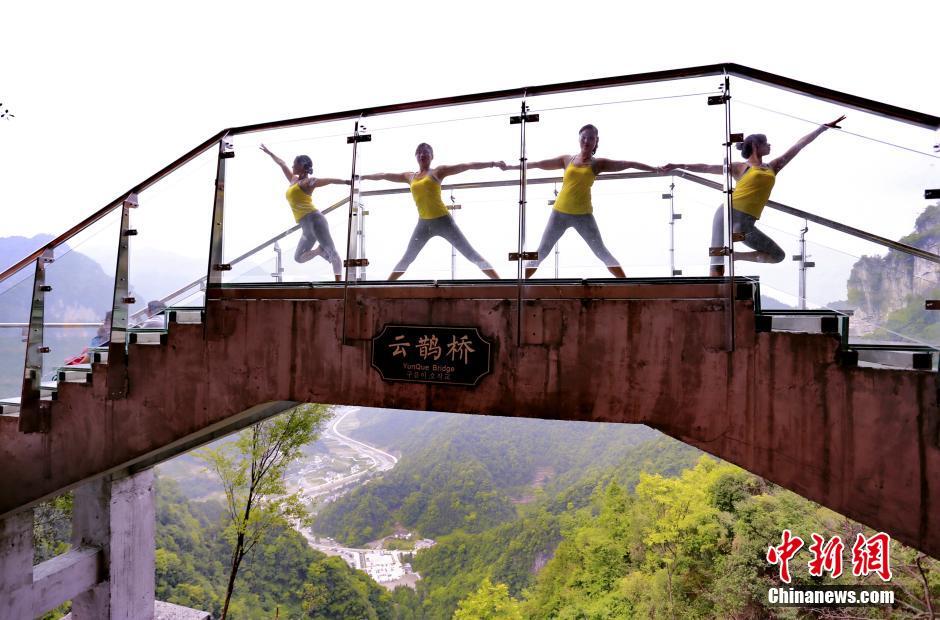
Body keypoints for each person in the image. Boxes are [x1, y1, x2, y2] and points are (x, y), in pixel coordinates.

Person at [662, 115, 846, 276]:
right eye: (766, 143)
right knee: (716, 262)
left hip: (746, 223)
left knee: (777, 256)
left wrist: (822, 128)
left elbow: (798, 146)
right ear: (756, 146)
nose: (770, 145)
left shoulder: (773, 166)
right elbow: (707, 167)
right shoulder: (741, 167)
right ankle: (715, 294)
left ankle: (734, 256)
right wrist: (678, 165)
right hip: (727, 213)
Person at [515, 124, 657, 278]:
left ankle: (627, 285)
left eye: (591, 138)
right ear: (579, 139)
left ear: (596, 141)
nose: (586, 141)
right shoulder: (567, 159)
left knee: (602, 252)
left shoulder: (597, 163)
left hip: (583, 216)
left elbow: (629, 164)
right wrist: (513, 167)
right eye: (583, 137)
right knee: (540, 252)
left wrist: (656, 169)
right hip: (559, 213)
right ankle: (517, 285)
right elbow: (538, 164)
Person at [360, 143, 505, 280]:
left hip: (444, 221)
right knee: (407, 258)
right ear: (416, 156)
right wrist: (364, 177)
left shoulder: (438, 171)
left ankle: (502, 284)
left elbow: (466, 166)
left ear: (432, 156)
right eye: (419, 152)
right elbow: (385, 175)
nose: (422, 154)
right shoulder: (409, 176)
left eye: (426, 152)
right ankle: (385, 287)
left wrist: (493, 163)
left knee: (471, 254)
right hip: (423, 224)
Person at [260, 144, 347, 281]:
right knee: (298, 257)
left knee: (332, 252)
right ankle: (319, 251)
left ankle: (339, 285)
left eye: (295, 164)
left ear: (302, 167)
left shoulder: (308, 182)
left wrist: (348, 182)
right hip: (305, 227)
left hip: (315, 220)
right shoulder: (294, 180)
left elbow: (329, 180)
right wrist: (270, 153)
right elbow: (282, 163)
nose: (292, 166)